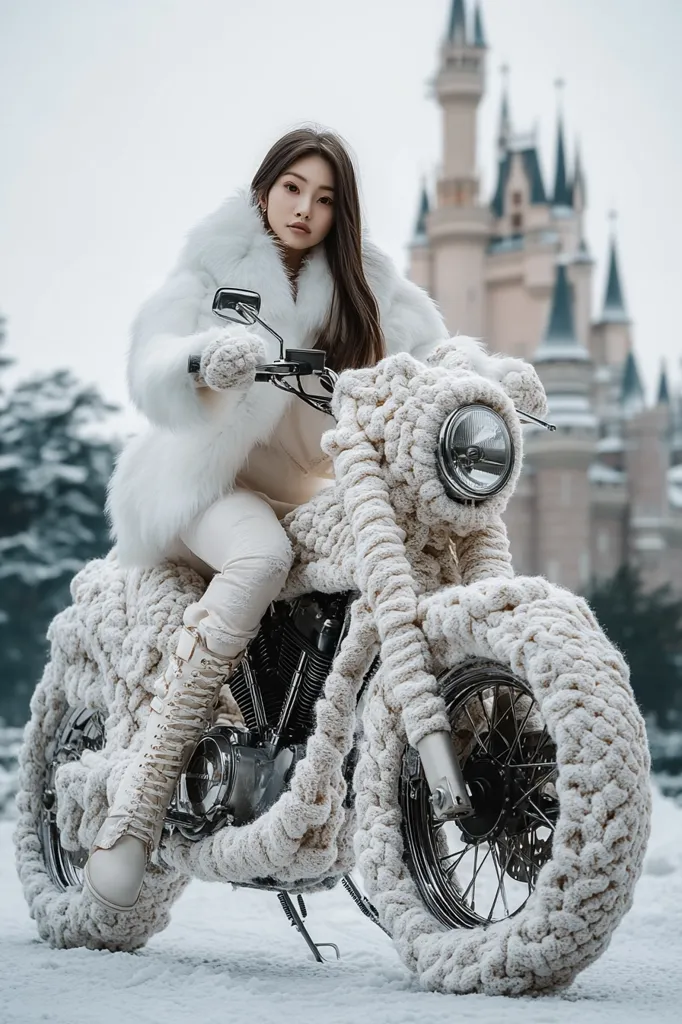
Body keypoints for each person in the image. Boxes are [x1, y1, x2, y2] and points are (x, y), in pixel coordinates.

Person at [84, 126, 449, 912]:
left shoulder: (366, 283)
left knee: (391, 555)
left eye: (325, 198)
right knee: (259, 558)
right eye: (292, 188)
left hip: (305, 490)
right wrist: (204, 357)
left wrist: (491, 380)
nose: (305, 209)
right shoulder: (217, 261)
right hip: (203, 481)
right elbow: (153, 355)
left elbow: (434, 360)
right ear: (264, 189)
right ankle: (140, 801)